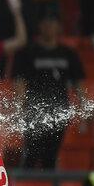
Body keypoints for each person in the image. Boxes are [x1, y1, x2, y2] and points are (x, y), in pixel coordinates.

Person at [12, 17, 85, 169]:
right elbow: (19, 81)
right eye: (45, 23)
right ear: (40, 26)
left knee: (51, 156)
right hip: (34, 111)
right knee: (31, 154)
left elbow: (79, 84)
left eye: (53, 23)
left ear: (59, 27)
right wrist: (20, 108)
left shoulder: (68, 53)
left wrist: (83, 111)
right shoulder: (27, 52)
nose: (49, 27)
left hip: (59, 111)